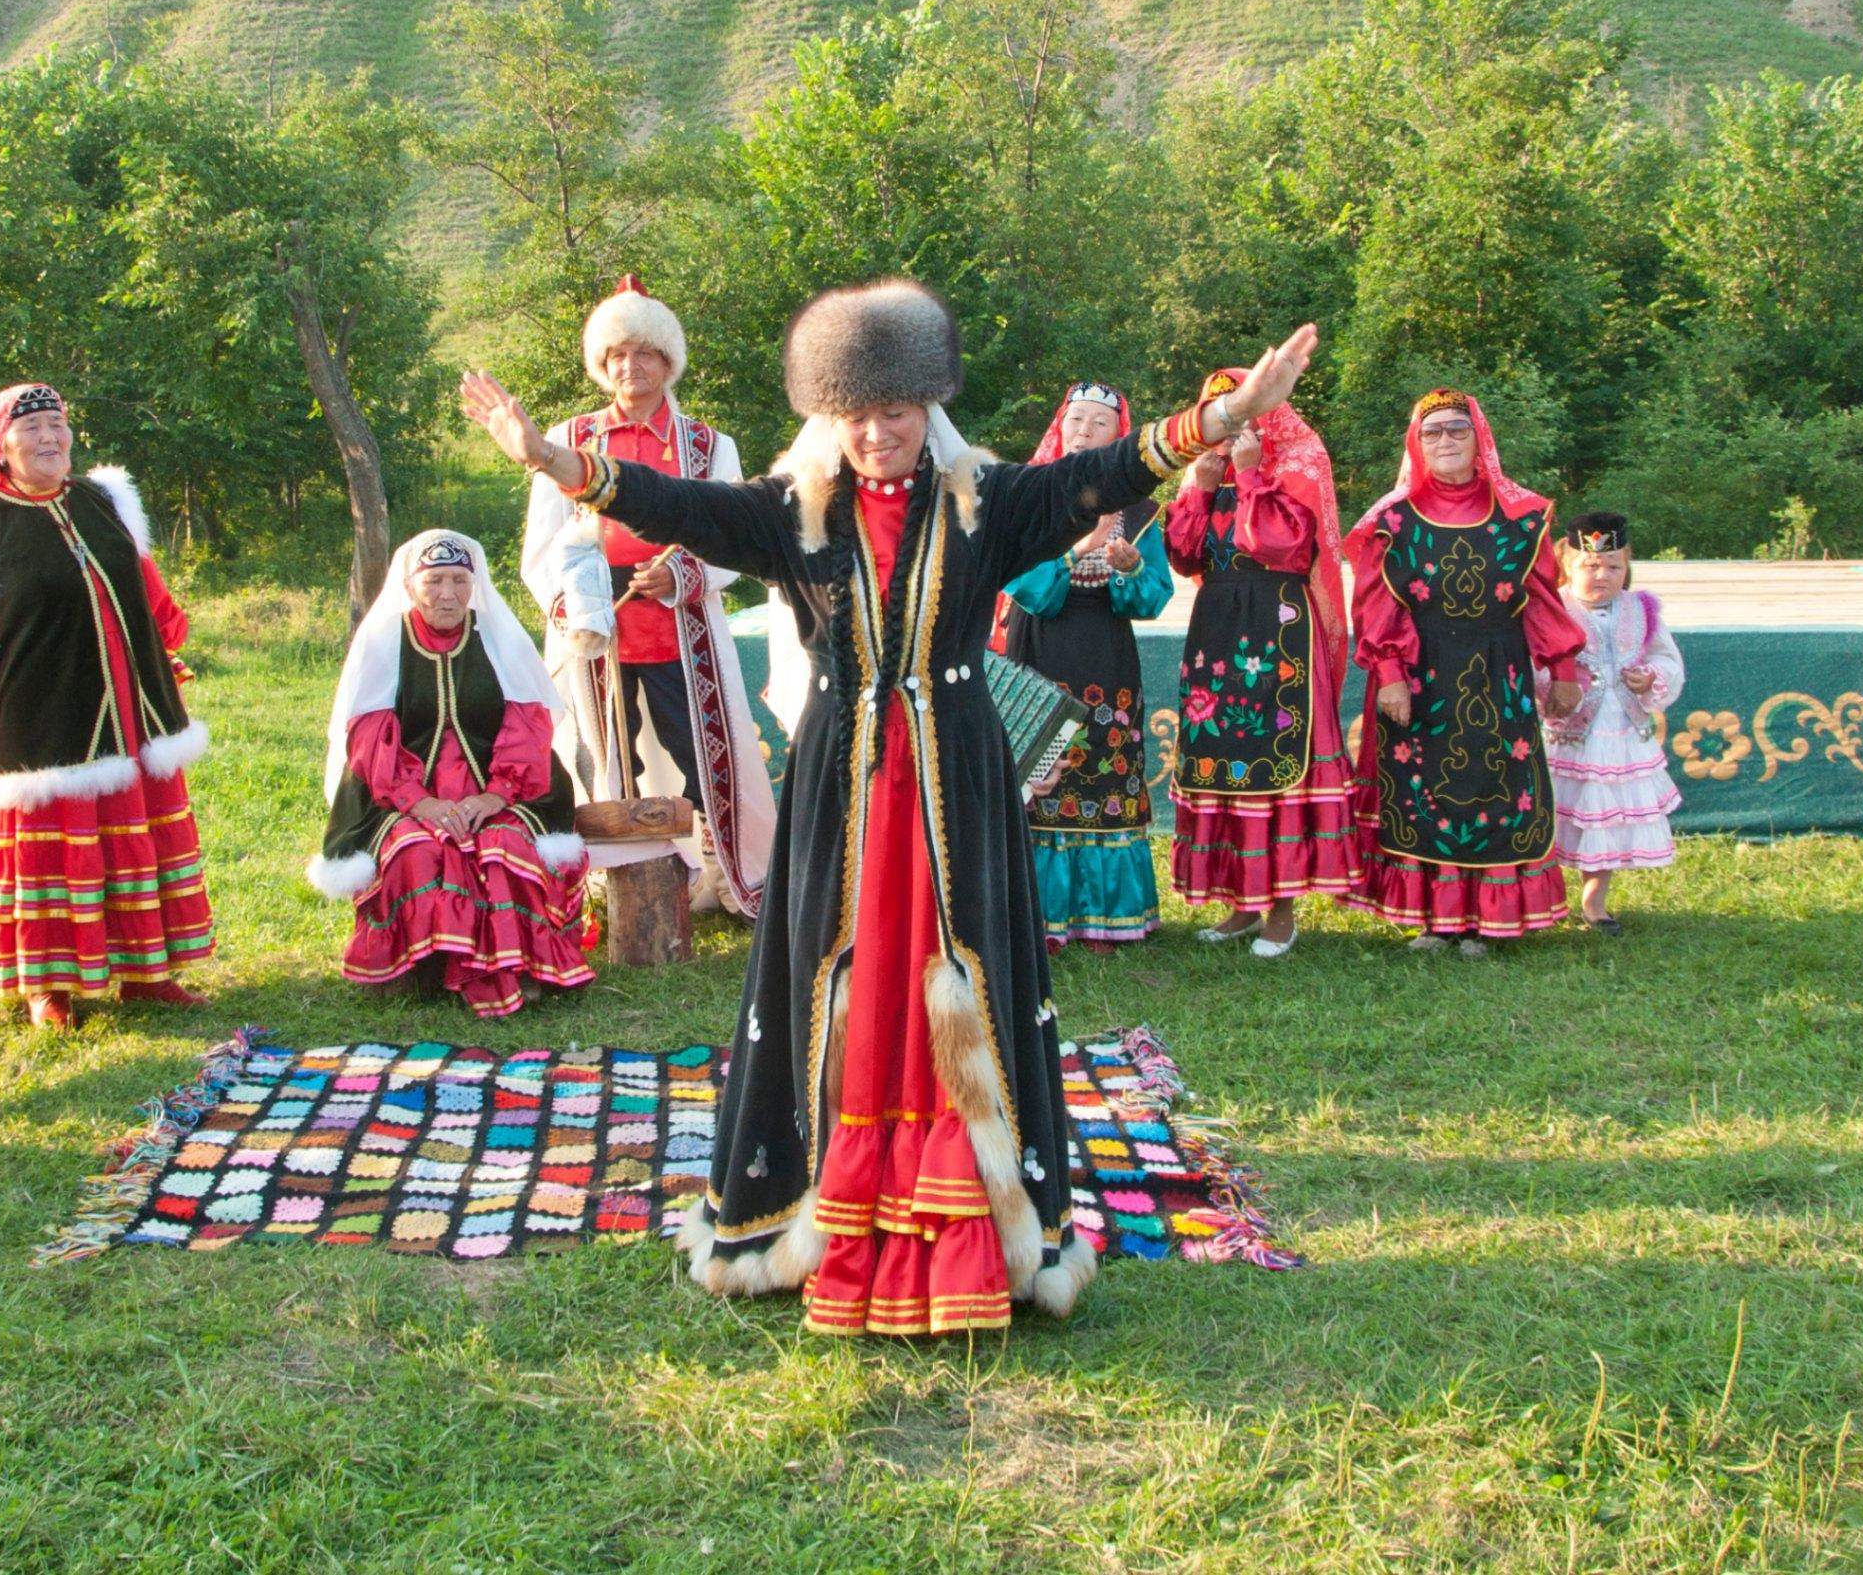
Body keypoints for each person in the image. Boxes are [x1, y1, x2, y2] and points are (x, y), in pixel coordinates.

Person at [463, 281, 1318, 1337]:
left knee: (965, 966)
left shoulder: (991, 502)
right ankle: (819, 1202)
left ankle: (981, 1214)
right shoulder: (789, 514)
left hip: (958, 777)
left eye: (898, 410)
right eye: (858, 413)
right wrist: (549, 459)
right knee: (833, 967)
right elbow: (670, 505)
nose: (878, 432)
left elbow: (1102, 473)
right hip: (840, 781)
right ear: (831, 416)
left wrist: (1226, 416)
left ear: (928, 410)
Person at [0, 384, 214, 1028]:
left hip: (127, 705)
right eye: (33, 429)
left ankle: (146, 971)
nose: (50, 438)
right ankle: (46, 985)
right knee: (49, 844)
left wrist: (159, 652)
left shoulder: (103, 501)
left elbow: (147, 590)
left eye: (59, 424)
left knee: (132, 831)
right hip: (35, 713)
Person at [518, 277, 774, 917]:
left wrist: (684, 574)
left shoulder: (709, 446)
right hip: (596, 625)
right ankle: (611, 887)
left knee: (702, 754)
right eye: (617, 357)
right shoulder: (568, 439)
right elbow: (542, 547)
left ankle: (715, 876)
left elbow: (734, 535)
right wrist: (575, 598)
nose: (631, 367)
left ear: (668, 362)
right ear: (603, 367)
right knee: (605, 759)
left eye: (645, 354)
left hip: (679, 626)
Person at [1344, 390, 1588, 955]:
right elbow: (1376, 603)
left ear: (1481, 438)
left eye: (1457, 429)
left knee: (1495, 788)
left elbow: (1543, 597)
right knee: (1422, 790)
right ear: (1416, 442)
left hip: (1498, 670)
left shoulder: (1522, 516)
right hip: (1421, 672)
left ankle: (1484, 918)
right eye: (1433, 432)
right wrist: (1390, 671)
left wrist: (1564, 667)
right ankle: (1435, 919)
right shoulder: (1393, 520)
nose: (1446, 441)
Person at [311, 531, 592, 1018]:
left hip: (500, 790)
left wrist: (496, 796)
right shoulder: (383, 644)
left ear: (474, 583)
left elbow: (528, 727)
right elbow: (370, 741)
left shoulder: (497, 641)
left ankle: (515, 967)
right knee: (418, 849)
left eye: (460, 581)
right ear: (410, 583)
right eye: (435, 580)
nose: (448, 594)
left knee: (503, 847)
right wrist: (422, 804)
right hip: (399, 797)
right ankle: (422, 968)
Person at [1164, 370, 1355, 959]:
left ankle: (1282, 909)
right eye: (1219, 412)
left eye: (1241, 409)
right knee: (1226, 760)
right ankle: (1242, 903)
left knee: (1275, 760)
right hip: (1217, 627)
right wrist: (1198, 486)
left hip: (1277, 629)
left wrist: (1248, 475)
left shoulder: (1300, 461)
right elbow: (1185, 554)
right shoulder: (1210, 471)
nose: (1230, 422)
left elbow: (1279, 546)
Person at [992, 385, 1173, 948]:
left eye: (1099, 423)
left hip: (1105, 656)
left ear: (1118, 436)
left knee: (1105, 773)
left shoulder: (1141, 512)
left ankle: (1107, 918)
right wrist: (1077, 550)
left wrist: (1128, 566)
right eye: (1076, 419)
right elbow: (1021, 585)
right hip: (1038, 651)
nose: (1085, 431)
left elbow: (1151, 598)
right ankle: (1038, 918)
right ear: (1060, 425)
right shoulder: (1028, 496)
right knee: (1037, 777)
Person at [1542, 512, 1683, 931]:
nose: (1601, 575)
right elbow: (1533, 664)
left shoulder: (1640, 610)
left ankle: (1594, 901)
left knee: (1606, 817)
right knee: (1559, 815)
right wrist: (1551, 687)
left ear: (1627, 567)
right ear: (1566, 564)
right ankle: (1544, 895)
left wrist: (1650, 677)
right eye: (1590, 566)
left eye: (1613, 567)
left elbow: (1667, 658)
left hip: (1620, 736)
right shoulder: (1551, 609)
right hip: (1567, 737)